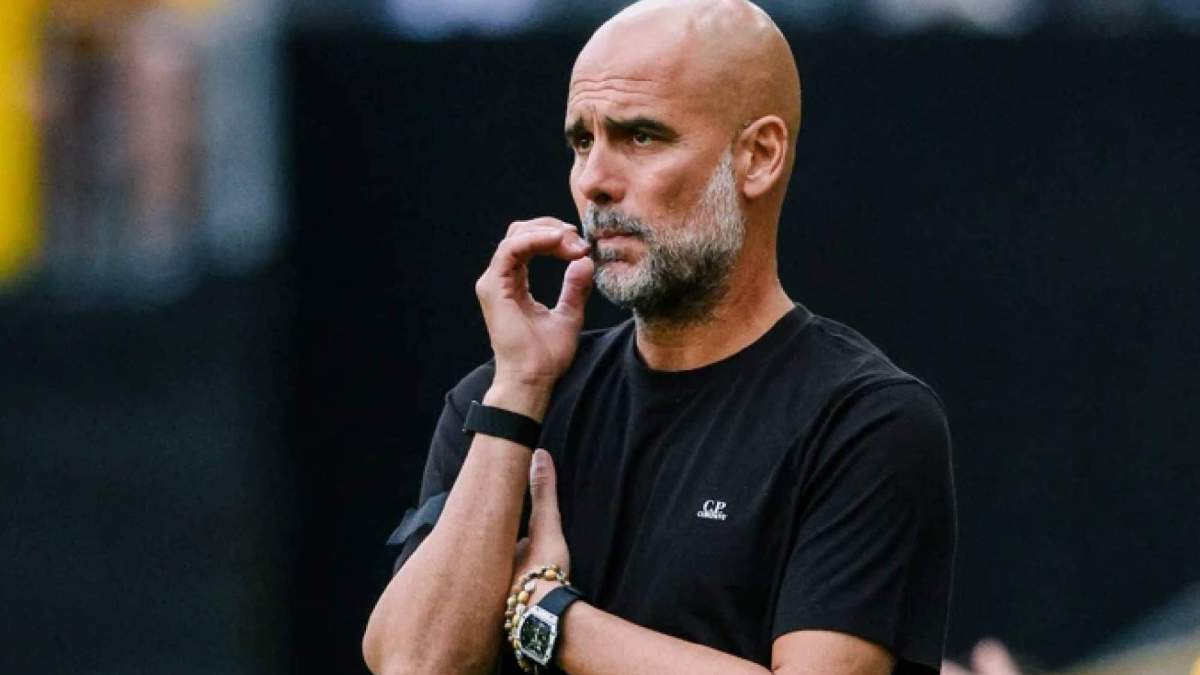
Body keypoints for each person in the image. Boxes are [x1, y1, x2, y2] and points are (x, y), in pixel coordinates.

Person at [362, 1, 956, 673]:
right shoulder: (504, 402)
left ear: (758, 156)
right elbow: (414, 663)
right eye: (581, 142)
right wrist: (518, 390)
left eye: (641, 136)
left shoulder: (864, 421)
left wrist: (545, 612)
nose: (594, 181)